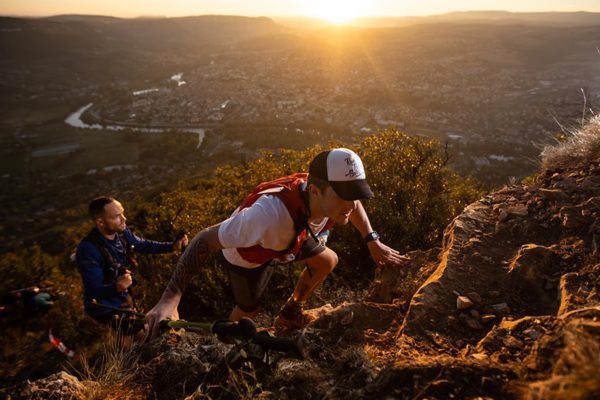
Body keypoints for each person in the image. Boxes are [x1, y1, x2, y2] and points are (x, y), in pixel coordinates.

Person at [145, 148, 409, 339]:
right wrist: (170, 299)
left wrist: (371, 239)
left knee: (328, 260)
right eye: (344, 197)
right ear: (315, 192)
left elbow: (356, 202)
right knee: (249, 310)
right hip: (249, 254)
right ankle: (223, 345)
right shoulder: (267, 216)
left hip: (295, 237)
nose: (351, 205)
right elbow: (205, 238)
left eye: (355, 194)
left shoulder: (328, 197)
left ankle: (290, 311)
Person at [76, 196, 188, 335]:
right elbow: (93, 291)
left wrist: (172, 247)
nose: (124, 219)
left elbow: (143, 245)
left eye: (122, 213)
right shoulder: (89, 249)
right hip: (104, 307)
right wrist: (117, 287)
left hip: (122, 297)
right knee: (145, 335)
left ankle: (124, 347)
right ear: (100, 222)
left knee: (138, 332)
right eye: (117, 216)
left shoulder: (122, 234)